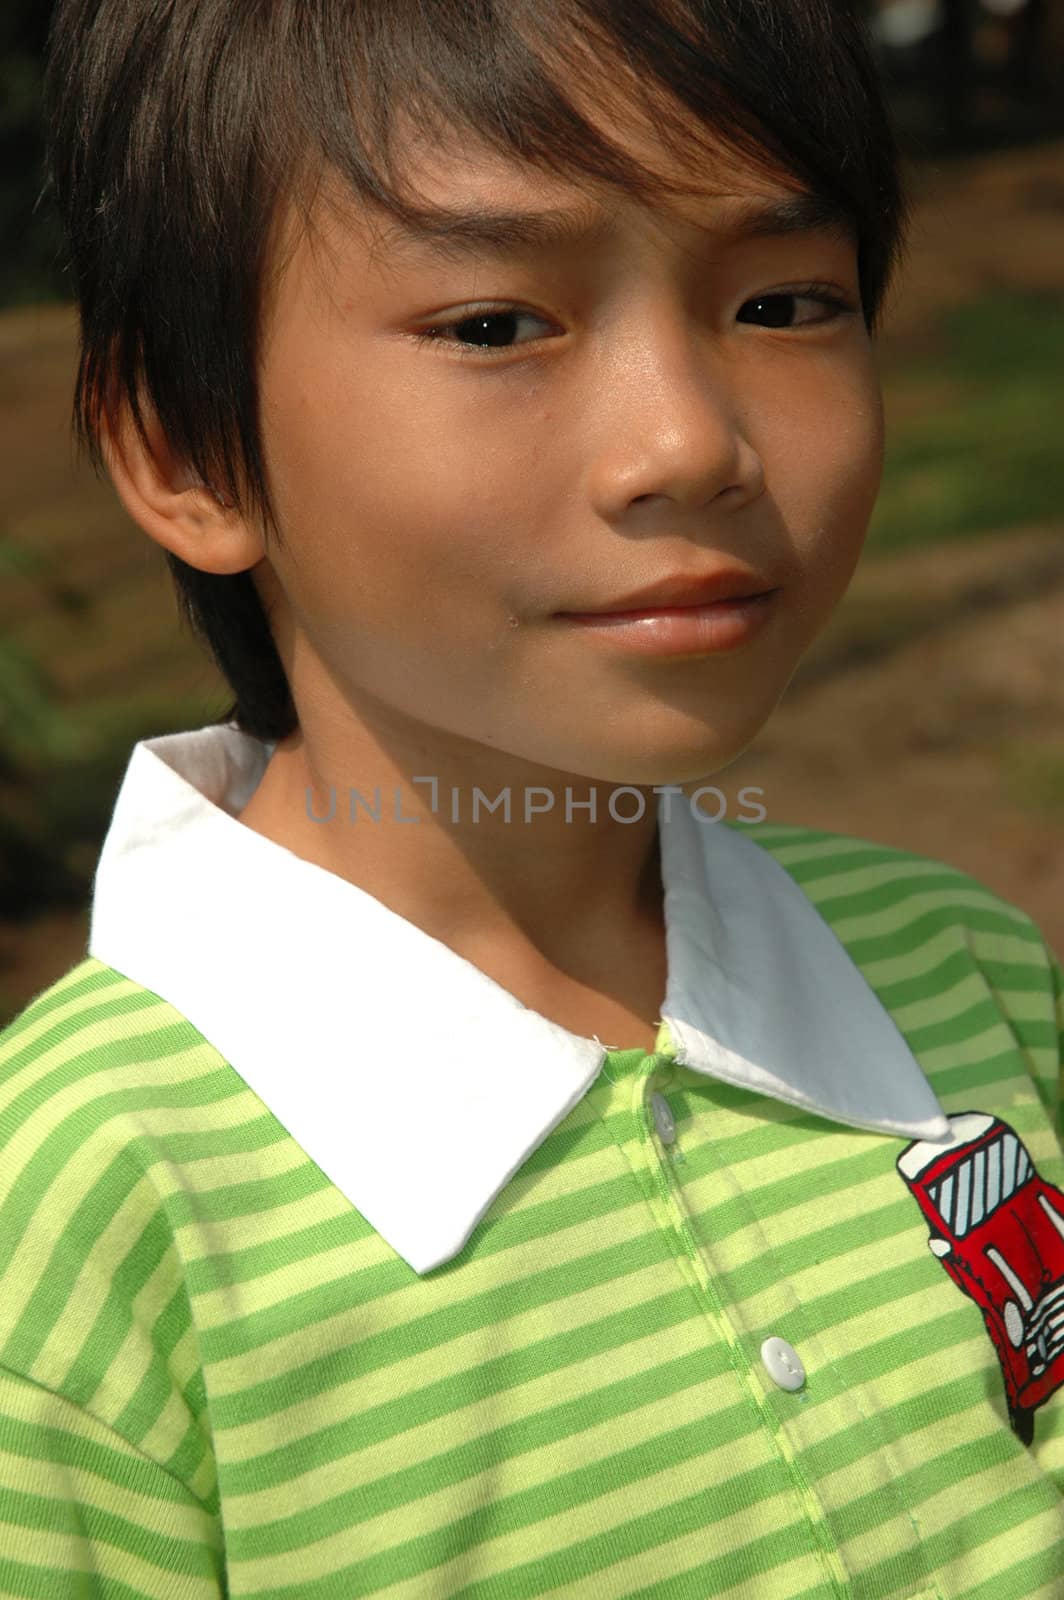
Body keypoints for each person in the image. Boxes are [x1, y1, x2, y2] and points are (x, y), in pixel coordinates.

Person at [2, 1, 1062, 1594]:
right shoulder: (80, 1223)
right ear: (187, 450)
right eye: (496, 325)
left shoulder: (965, 975)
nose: (688, 442)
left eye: (783, 302)